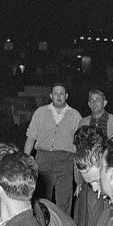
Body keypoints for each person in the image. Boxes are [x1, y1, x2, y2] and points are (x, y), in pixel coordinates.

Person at [23, 83, 82, 215]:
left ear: (66, 96)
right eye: (56, 94)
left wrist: (79, 178)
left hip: (65, 161)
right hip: (43, 160)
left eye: (61, 93)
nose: (59, 96)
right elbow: (31, 137)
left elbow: (79, 147)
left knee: (64, 200)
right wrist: (24, 160)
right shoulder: (40, 112)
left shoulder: (75, 115)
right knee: (41, 199)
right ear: (51, 96)